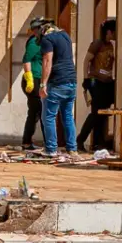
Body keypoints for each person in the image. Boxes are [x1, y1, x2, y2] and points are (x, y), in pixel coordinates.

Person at [39, 19, 79, 156]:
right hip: (71, 80)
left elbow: (47, 60)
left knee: (48, 117)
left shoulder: (47, 39)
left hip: (57, 82)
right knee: (68, 116)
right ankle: (72, 149)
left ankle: (51, 149)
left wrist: (43, 83)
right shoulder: (65, 36)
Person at [77, 19, 117, 153]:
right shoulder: (97, 44)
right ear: (109, 32)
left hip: (107, 82)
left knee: (103, 114)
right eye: (114, 32)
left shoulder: (112, 45)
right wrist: (86, 79)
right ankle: (80, 140)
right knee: (95, 114)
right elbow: (86, 60)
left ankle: (100, 142)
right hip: (96, 82)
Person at [19, 18, 46, 151]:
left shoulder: (42, 41)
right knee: (39, 112)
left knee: (36, 112)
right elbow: (26, 60)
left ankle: (27, 142)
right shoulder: (34, 42)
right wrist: (29, 78)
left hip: (39, 79)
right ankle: (43, 143)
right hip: (33, 80)